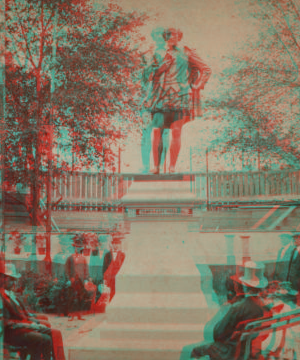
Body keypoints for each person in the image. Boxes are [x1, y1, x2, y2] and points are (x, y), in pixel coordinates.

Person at [141, 28, 211, 174]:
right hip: (161, 95)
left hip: (180, 96)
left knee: (177, 131)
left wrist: (197, 85)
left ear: (179, 37)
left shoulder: (186, 53)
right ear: (165, 38)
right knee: (156, 130)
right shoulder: (157, 53)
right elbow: (147, 75)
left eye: (175, 36)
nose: (172, 38)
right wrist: (160, 69)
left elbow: (206, 69)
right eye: (169, 36)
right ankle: (157, 167)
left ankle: (172, 167)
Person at [184, 261, 271, 360]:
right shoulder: (261, 307)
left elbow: (218, 334)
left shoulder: (238, 308)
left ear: (245, 286)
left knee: (188, 350)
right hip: (245, 350)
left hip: (230, 353)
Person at [1, 263, 66, 360]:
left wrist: (31, 322)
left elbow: (21, 313)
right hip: (10, 332)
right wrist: (29, 325)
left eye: (14, 280)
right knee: (45, 338)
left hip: (17, 328)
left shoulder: (9, 295)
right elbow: (5, 322)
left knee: (52, 334)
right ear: (4, 279)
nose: (14, 283)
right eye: (12, 280)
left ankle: (55, 358)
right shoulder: (3, 297)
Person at [65, 233, 89, 320]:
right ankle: (71, 315)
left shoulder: (83, 258)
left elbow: (86, 269)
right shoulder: (70, 258)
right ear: (74, 247)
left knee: (80, 298)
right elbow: (67, 269)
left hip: (81, 281)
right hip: (73, 281)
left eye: (79, 247)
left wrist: (86, 279)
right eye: (76, 247)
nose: (78, 249)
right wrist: (69, 278)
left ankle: (79, 315)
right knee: (71, 298)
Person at [103, 235, 125, 301]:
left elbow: (123, 267)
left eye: (117, 244)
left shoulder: (122, 255)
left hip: (119, 277)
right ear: (112, 244)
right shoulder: (107, 255)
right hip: (111, 277)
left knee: (119, 292)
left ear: (119, 244)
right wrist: (104, 278)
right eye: (114, 243)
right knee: (112, 291)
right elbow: (104, 267)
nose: (116, 245)